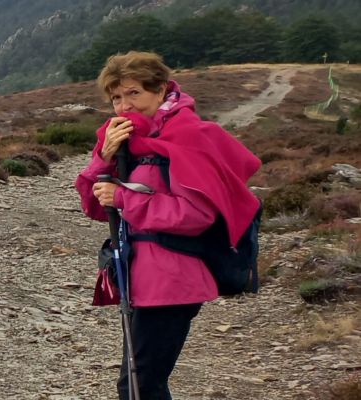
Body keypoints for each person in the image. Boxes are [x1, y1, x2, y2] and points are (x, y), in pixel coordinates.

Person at [73, 51, 261, 400]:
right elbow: (95, 206)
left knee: (140, 384)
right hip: (141, 275)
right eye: (116, 97)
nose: (124, 106)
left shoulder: (187, 137)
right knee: (141, 381)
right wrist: (104, 158)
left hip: (174, 278)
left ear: (160, 90)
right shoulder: (127, 142)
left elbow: (196, 215)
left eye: (134, 93)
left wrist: (125, 198)